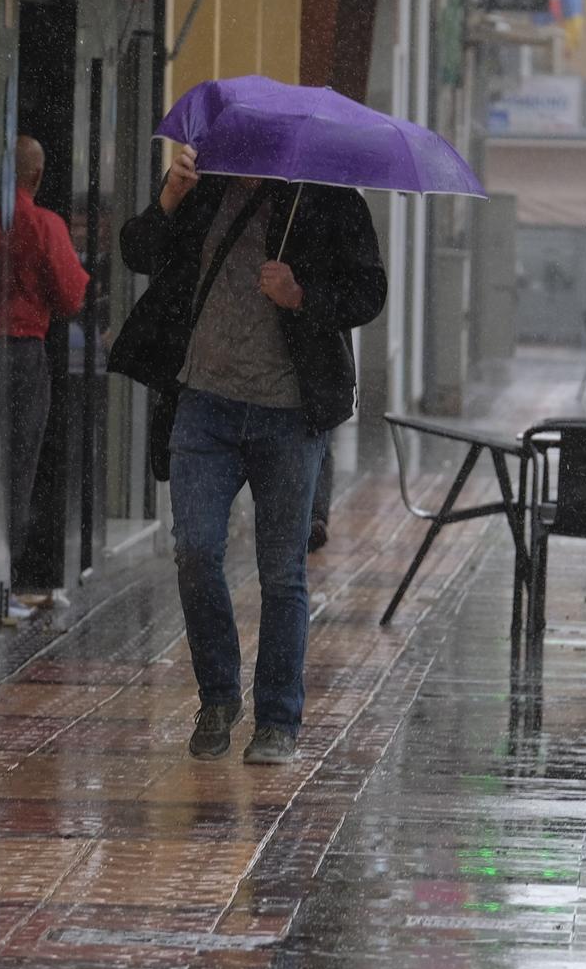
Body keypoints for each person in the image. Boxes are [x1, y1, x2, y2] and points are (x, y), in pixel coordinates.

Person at [116, 144, 385, 765]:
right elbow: (137, 254)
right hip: (204, 403)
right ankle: (217, 695)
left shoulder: (328, 198)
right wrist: (168, 199)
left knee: (281, 572)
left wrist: (302, 295)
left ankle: (277, 720)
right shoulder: (204, 192)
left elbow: (370, 291)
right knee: (195, 550)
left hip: (288, 414)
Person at [0, 136, 90, 621]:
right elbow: (71, 295)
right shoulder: (45, 225)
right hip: (25, 352)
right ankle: (9, 581)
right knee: (19, 467)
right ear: (37, 176)